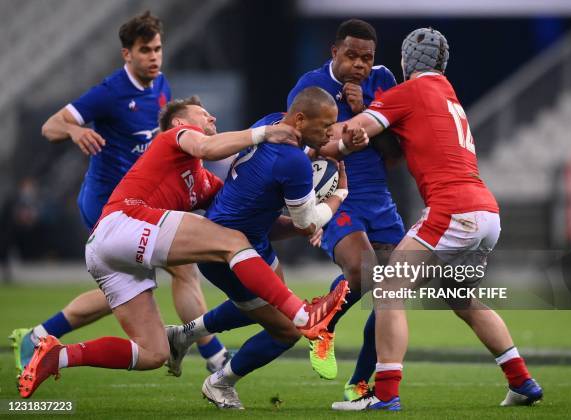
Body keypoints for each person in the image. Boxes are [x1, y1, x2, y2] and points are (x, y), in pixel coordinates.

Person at [17, 96, 349, 399]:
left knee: (152, 353)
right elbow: (206, 148)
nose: (212, 115)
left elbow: (234, 219)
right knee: (233, 243)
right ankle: (305, 315)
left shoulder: (203, 182)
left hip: (111, 254)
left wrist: (300, 228)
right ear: (181, 123)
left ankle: (57, 356)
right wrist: (263, 133)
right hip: (123, 221)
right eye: (203, 114)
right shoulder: (174, 138)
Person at [330, 28, 543, 411]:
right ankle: (522, 381)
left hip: (452, 209)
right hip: (486, 211)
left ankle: (386, 394)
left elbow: (351, 133)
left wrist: (300, 133)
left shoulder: (409, 92)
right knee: (461, 298)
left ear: (407, 61)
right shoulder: (449, 94)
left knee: (389, 290)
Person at [9, 11, 229, 376]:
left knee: (130, 293)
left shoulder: (161, 87)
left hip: (139, 207)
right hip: (106, 207)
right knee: (180, 274)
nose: (154, 57)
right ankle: (217, 358)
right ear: (127, 54)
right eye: (145, 50)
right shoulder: (110, 92)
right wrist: (76, 131)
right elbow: (51, 126)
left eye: (158, 48)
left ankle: (39, 335)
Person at [164, 87, 367, 409]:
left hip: (252, 236)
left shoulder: (273, 122)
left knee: (260, 310)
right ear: (299, 119)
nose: (330, 132)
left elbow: (293, 166)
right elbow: (307, 224)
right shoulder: (292, 163)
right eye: (325, 125)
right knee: (287, 330)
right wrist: (339, 194)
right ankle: (220, 382)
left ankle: (185, 334)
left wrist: (333, 149)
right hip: (226, 252)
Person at [287, 19, 405, 399]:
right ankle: (322, 323)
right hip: (335, 192)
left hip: (379, 198)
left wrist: (367, 113)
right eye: (352, 55)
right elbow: (296, 146)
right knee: (362, 269)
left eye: (366, 58)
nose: (360, 65)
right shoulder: (309, 87)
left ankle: (359, 384)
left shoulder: (383, 80)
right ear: (334, 51)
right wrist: (348, 139)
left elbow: (396, 153)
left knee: (392, 291)